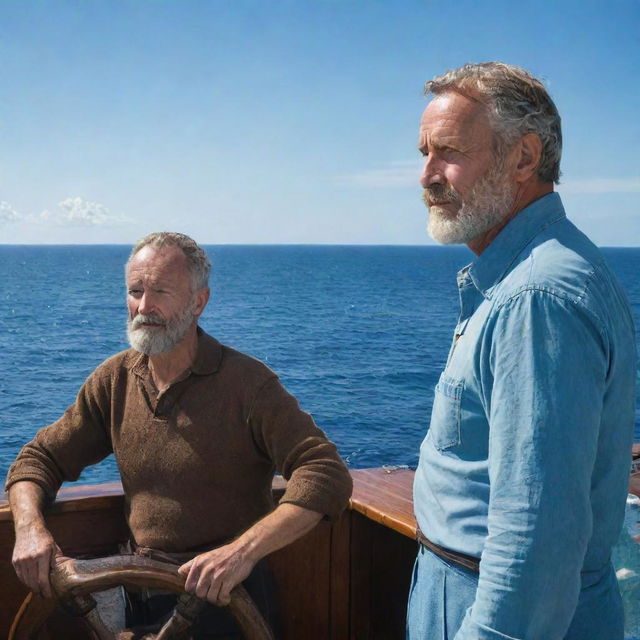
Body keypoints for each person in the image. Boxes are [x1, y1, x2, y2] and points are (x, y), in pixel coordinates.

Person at [6, 232, 353, 637]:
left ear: (199, 302)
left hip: (229, 597)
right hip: (144, 594)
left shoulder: (248, 385)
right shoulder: (114, 380)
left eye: (161, 292)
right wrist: (30, 528)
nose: (144, 307)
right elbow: (39, 459)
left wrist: (241, 553)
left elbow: (326, 473)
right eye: (135, 291)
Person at [409, 62, 636, 640]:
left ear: (524, 158)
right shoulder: (525, 276)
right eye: (424, 152)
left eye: (449, 152)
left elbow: (536, 539)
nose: (427, 175)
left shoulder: (536, 298)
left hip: (495, 608)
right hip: (466, 589)